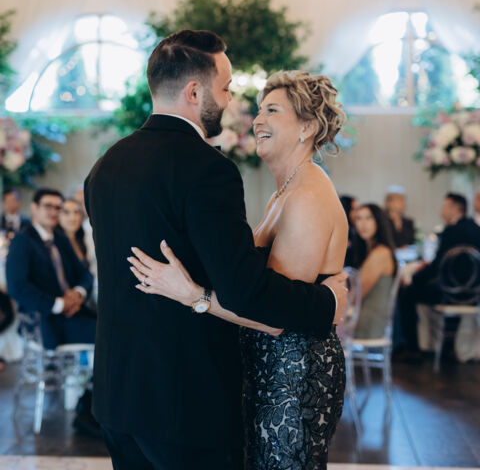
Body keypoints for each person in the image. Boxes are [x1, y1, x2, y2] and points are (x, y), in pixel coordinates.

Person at [84, 30, 348, 470]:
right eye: (225, 88)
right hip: (184, 403)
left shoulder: (105, 166)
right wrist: (329, 302)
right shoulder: (207, 169)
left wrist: (193, 293)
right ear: (194, 92)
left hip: (118, 397)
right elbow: (247, 291)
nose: (231, 102)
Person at [6, 188, 96, 350]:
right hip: (44, 320)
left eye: (58, 207)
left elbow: (86, 275)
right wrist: (60, 304)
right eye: (48, 206)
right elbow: (17, 287)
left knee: (116, 325)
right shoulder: (22, 241)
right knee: (110, 334)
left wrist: (78, 293)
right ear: (34, 207)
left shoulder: (60, 239)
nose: (54, 212)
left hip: (74, 312)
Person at [398, 192, 480, 361]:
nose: (441, 211)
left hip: (449, 294)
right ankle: (448, 346)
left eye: (444, 206)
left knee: (408, 293)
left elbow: (437, 269)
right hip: (474, 296)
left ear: (455, 209)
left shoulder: (450, 232)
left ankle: (412, 348)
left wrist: (414, 279)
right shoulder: (477, 230)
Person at [351, 203, 396, 339]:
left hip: (369, 322)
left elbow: (356, 295)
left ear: (379, 221)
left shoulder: (380, 253)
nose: (363, 224)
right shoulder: (370, 252)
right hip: (365, 317)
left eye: (369, 218)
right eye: (359, 218)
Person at [59, 198, 90, 268]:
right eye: (66, 212)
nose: (72, 217)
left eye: (76, 212)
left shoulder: (81, 240)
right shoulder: (55, 244)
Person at [340, 194, 359, 265]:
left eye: (358, 209)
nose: (358, 214)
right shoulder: (340, 233)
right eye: (354, 209)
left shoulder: (356, 231)